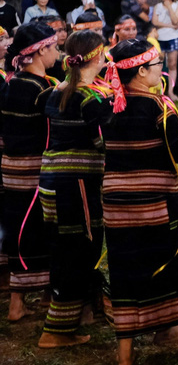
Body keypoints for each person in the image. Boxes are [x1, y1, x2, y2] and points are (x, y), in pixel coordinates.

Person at [100, 39, 178, 365]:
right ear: (141, 71)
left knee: (124, 267)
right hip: (157, 204)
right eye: (157, 66)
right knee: (166, 263)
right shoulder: (162, 108)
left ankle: (125, 353)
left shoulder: (108, 105)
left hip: (115, 205)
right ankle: (167, 327)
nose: (163, 71)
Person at [37, 29, 113, 347]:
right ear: (96, 56)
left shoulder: (56, 92)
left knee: (62, 248)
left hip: (52, 182)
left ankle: (66, 319)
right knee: (79, 251)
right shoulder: (90, 99)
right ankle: (56, 332)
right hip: (77, 185)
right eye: (104, 51)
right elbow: (103, 142)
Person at [0, 23, 59, 320]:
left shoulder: (10, 83)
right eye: (54, 47)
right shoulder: (41, 90)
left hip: (10, 169)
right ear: (39, 51)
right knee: (41, 230)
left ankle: (16, 302)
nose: (57, 53)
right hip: (35, 170)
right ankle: (50, 298)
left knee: (17, 230)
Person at [152, 0, 178, 101]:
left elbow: (176, 20)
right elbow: (155, 22)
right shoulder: (157, 6)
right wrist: (170, 26)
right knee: (158, 64)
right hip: (160, 37)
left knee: (172, 64)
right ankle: (159, 90)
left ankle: (170, 91)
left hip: (173, 37)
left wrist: (169, 8)